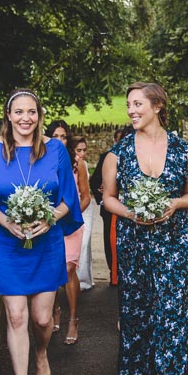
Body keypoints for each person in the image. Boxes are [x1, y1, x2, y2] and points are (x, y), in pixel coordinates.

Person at [0, 89, 83, 375]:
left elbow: (68, 200)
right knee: (16, 317)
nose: (25, 119)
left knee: (42, 320)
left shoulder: (56, 150)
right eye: (18, 112)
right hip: (7, 244)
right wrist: (8, 221)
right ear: (8, 115)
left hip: (46, 244)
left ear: (39, 115)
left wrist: (49, 219)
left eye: (31, 112)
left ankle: (42, 352)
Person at [100, 82, 188, 375]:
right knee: (138, 311)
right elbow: (108, 198)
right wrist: (131, 213)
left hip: (174, 245)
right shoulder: (118, 153)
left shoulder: (185, 151)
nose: (131, 110)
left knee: (174, 313)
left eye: (138, 103)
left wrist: (173, 204)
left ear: (157, 106)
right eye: (128, 104)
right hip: (134, 245)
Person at [45, 120, 89, 345]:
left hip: (71, 225)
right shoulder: (41, 161)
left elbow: (86, 196)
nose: (59, 140)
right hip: (48, 224)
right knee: (53, 270)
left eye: (63, 136)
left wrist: (72, 216)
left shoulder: (76, 163)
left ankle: (73, 319)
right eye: (55, 136)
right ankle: (55, 308)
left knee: (69, 268)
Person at [90, 126, 133, 286]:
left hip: (136, 210)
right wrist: (104, 199)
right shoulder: (107, 157)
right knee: (110, 242)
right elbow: (95, 181)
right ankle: (113, 273)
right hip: (110, 211)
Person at [69, 135, 94, 292]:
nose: (82, 153)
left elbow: (86, 193)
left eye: (85, 150)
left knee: (84, 243)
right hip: (69, 209)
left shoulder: (82, 164)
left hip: (83, 207)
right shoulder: (69, 163)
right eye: (79, 150)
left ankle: (84, 279)